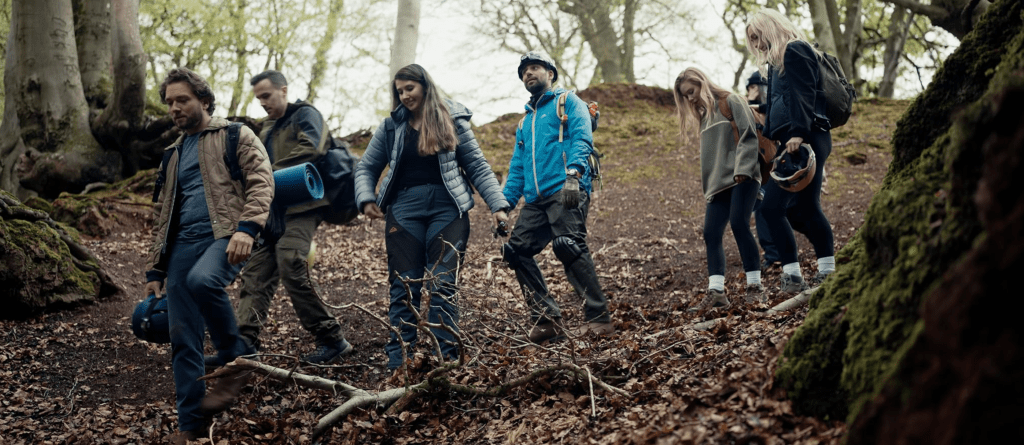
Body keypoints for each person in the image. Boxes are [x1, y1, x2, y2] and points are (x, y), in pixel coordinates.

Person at [145, 67, 274, 444]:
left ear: (204, 99)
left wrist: (247, 228)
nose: (174, 108)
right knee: (183, 337)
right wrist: (156, 267)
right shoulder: (172, 153)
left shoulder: (235, 134)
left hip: (226, 235)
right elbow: (164, 214)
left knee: (205, 281)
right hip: (182, 245)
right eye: (169, 102)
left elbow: (261, 181)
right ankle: (190, 426)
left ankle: (237, 361)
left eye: (182, 99)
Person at [354, 64, 509, 370]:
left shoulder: (453, 119)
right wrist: (366, 198)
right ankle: (399, 362)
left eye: (409, 88)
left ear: (425, 86)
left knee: (442, 285)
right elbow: (366, 167)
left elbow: (477, 165)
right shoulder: (391, 126)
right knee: (403, 286)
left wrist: (498, 206)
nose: (404, 96)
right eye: (399, 91)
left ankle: (447, 361)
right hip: (404, 211)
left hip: (447, 209)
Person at [218, 70, 353, 366]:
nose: (263, 103)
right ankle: (244, 343)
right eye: (258, 98)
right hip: (273, 210)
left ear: (283, 90)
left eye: (266, 96)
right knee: (255, 273)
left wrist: (264, 174)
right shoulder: (267, 128)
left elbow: (312, 148)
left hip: (304, 206)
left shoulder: (306, 115)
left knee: (291, 261)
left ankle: (331, 338)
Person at [499, 51, 613, 344]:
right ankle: (546, 319)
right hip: (536, 199)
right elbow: (517, 167)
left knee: (568, 244)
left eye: (535, 68)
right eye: (524, 71)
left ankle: (598, 318)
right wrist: (504, 205)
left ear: (551, 73)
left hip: (567, 187)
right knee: (515, 251)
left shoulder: (569, 102)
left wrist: (574, 174)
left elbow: (582, 138)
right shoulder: (525, 122)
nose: (528, 74)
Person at [746, 9, 836, 291]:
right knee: (801, 210)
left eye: (756, 36)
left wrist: (798, 132)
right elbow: (778, 105)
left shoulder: (795, 50)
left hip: (806, 138)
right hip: (791, 142)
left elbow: (805, 94)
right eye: (752, 39)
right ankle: (816, 271)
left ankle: (800, 275)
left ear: (769, 28)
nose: (756, 44)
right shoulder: (775, 62)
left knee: (773, 208)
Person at [673, 67, 764, 309]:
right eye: (685, 96)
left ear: (701, 82)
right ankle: (716, 293)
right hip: (718, 186)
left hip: (743, 177)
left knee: (739, 224)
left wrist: (743, 169)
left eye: (691, 91)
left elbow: (749, 135)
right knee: (711, 233)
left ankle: (755, 287)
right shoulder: (705, 117)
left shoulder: (731, 101)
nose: (690, 98)